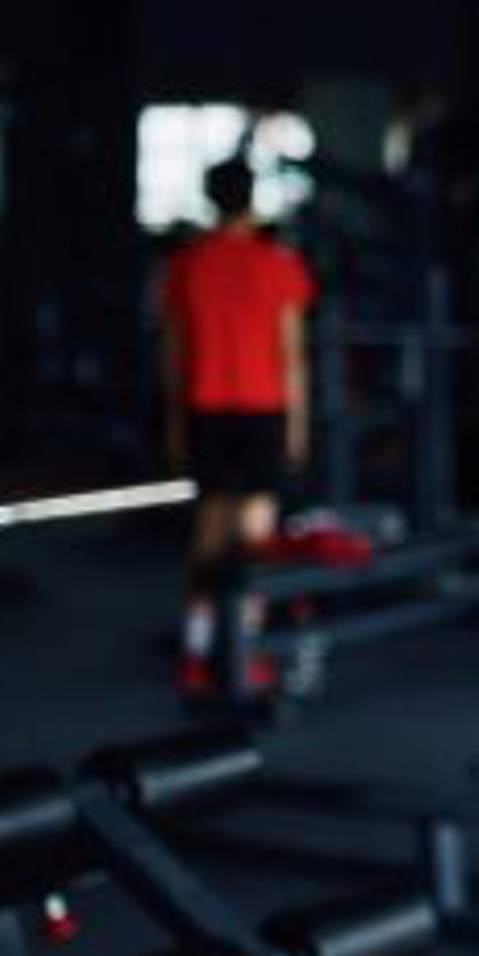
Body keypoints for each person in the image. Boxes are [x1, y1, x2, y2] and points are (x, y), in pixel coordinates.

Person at [160, 154, 315, 696]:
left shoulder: (186, 265)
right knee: (254, 538)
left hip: (205, 411)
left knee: (208, 534)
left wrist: (175, 425)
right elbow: (291, 355)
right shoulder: (279, 264)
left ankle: (199, 654)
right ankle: (246, 656)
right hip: (261, 412)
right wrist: (298, 427)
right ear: (251, 201)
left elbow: (174, 358)